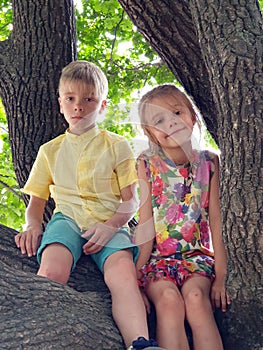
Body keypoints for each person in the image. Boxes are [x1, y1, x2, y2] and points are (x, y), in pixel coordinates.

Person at [14, 61, 161, 350]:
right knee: (52, 268)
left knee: (122, 274)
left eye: (88, 99)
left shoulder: (117, 145)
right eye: (70, 99)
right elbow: (37, 201)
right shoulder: (50, 151)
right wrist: (32, 225)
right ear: (60, 103)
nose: (78, 106)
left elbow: (130, 199)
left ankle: (141, 343)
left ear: (102, 105)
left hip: (109, 219)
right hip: (66, 219)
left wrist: (111, 227)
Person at [135, 84, 231, 350]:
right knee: (168, 299)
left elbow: (217, 222)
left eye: (177, 112)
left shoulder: (210, 162)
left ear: (192, 115)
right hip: (159, 261)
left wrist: (221, 276)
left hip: (197, 258)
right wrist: (137, 277)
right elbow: (145, 223)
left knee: (197, 298)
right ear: (151, 133)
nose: (171, 123)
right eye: (159, 121)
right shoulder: (146, 163)